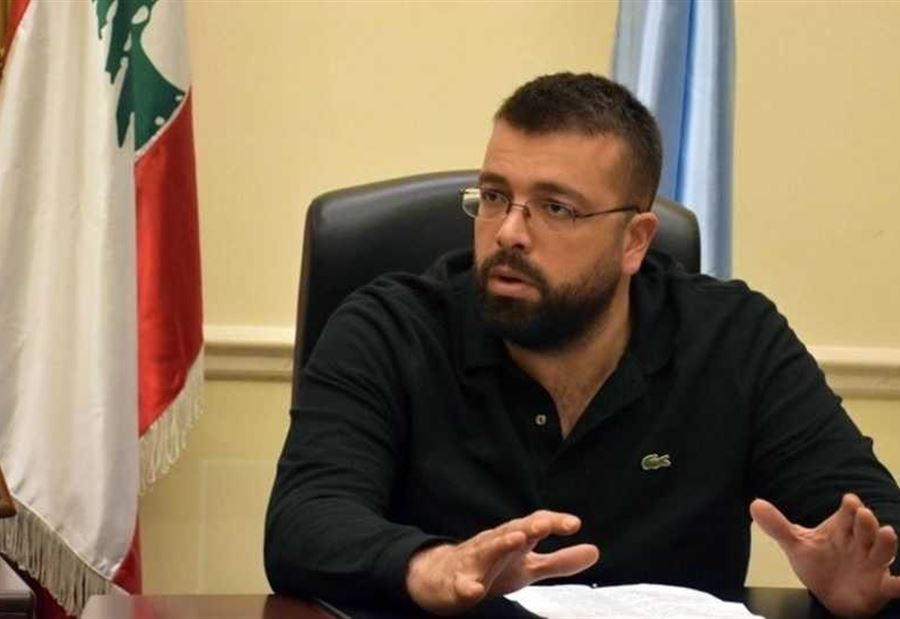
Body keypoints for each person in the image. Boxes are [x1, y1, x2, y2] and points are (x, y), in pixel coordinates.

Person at [265, 73, 900, 617]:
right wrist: (431, 566)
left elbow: (872, 525)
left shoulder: (733, 338)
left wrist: (863, 589)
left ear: (635, 241)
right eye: (495, 197)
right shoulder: (390, 328)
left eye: (556, 208)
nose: (508, 233)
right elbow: (306, 520)